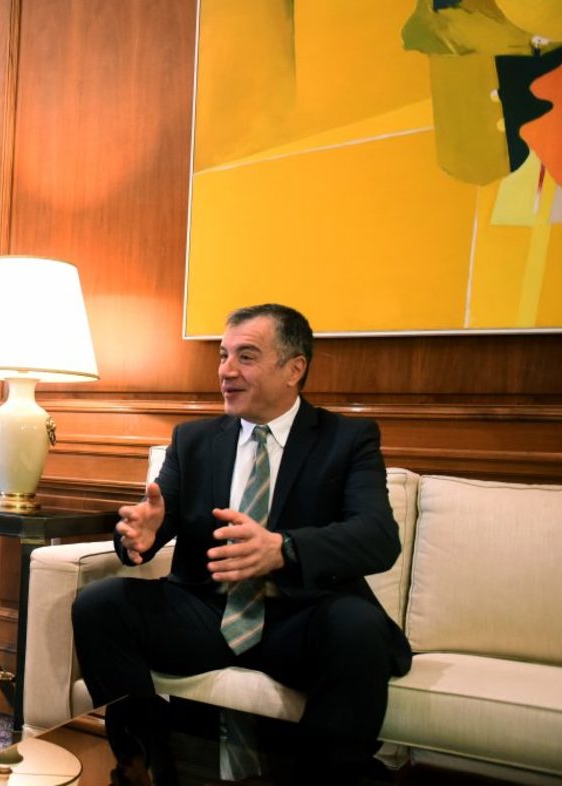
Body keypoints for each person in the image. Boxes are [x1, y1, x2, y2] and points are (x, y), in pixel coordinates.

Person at [72, 303, 411, 784]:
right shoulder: (193, 440)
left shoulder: (346, 439)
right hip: (207, 612)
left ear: (294, 369)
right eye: (223, 355)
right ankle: (147, 759)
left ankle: (326, 776)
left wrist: (283, 548)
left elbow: (377, 537)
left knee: (358, 627)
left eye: (245, 357)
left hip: (298, 617)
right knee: (100, 604)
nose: (226, 371)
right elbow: (154, 519)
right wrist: (137, 537)